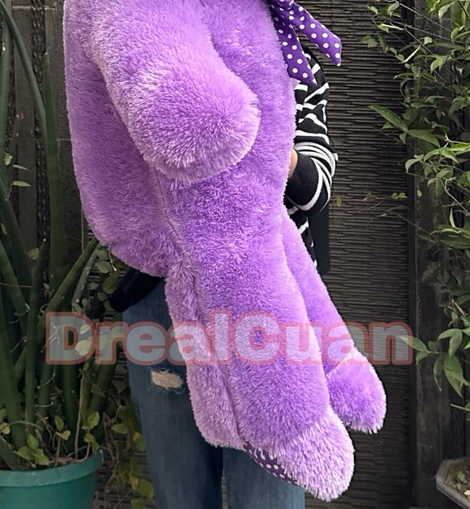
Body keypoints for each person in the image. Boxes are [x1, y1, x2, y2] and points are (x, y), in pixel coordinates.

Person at [107, 50, 337, 509]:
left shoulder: (292, 60)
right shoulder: (150, 51)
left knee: (270, 493)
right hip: (165, 294)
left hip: (270, 304)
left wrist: (254, 132)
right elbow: (115, 177)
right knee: (180, 485)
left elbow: (316, 191)